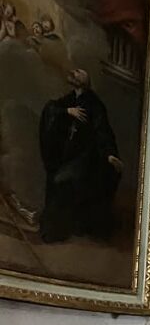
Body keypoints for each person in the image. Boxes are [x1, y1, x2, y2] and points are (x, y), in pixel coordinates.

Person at [38, 68, 123, 243]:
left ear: (85, 81)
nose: (73, 73)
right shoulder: (69, 99)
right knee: (57, 179)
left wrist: (109, 154)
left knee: (64, 182)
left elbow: (103, 132)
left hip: (84, 159)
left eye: (78, 72)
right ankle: (55, 230)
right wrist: (67, 112)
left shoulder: (95, 105)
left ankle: (57, 232)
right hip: (64, 157)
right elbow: (50, 110)